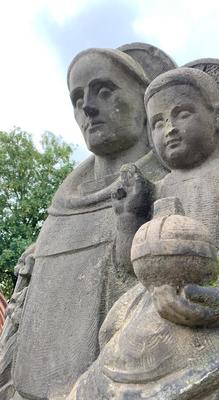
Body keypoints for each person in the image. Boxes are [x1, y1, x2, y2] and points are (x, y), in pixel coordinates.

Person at [67, 67, 219, 399]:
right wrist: (129, 217)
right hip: (156, 307)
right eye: (158, 122)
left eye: (182, 113)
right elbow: (128, 269)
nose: (170, 129)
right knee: (100, 379)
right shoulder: (156, 190)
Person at [2, 47, 172, 400]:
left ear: (146, 102)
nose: (87, 108)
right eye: (77, 98)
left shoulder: (173, 185)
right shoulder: (62, 205)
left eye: (105, 91)